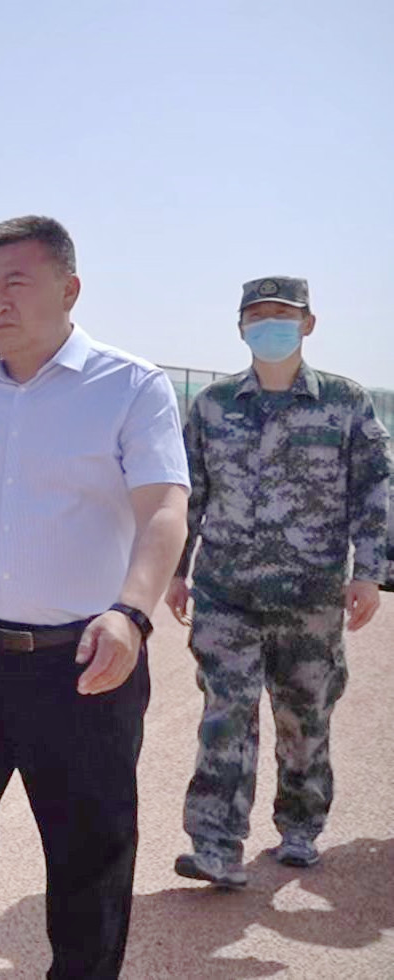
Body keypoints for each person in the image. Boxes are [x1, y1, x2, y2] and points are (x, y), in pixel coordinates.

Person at [0, 216, 191, 979]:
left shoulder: (130, 386)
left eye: (14, 283)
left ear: (69, 288)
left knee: (87, 864)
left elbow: (163, 510)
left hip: (83, 664)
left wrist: (130, 614)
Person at [166, 276, 389, 887]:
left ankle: (300, 828)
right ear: (241, 328)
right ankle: (215, 845)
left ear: (308, 324)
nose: (270, 325)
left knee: (304, 718)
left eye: (283, 315)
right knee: (225, 714)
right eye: (258, 316)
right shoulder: (212, 405)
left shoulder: (345, 402)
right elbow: (188, 494)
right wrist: (176, 571)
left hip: (311, 596)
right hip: (226, 592)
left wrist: (370, 573)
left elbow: (374, 489)